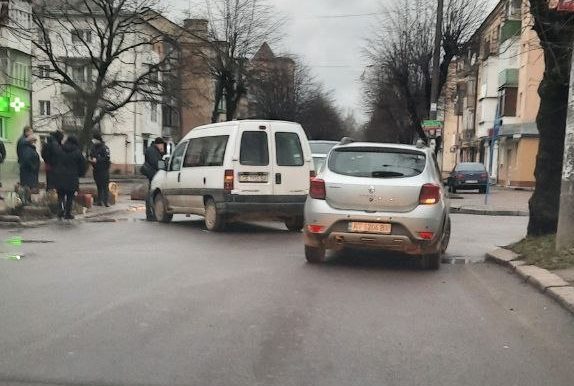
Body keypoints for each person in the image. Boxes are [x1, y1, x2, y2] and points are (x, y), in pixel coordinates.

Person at [53, 135, 86, 220]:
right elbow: (82, 165)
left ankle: (60, 209)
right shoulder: (77, 152)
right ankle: (68, 213)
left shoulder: (59, 149)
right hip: (72, 177)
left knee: (60, 195)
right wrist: (80, 174)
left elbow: (54, 161)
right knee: (70, 196)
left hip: (59, 175)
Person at [142, 137, 165, 220]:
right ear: (159, 144)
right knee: (151, 194)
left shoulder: (153, 150)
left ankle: (151, 213)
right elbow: (157, 163)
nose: (162, 146)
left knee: (151, 193)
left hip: (153, 174)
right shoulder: (152, 151)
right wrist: (164, 167)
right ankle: (150, 214)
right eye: (162, 145)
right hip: (153, 175)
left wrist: (161, 153)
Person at [89, 132, 111, 207]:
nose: (93, 141)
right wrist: (91, 160)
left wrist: (98, 159)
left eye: (94, 139)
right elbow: (91, 155)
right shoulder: (93, 147)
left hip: (104, 169)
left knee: (105, 185)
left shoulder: (104, 148)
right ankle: (99, 201)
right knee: (99, 185)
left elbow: (107, 158)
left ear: (98, 139)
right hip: (96, 169)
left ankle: (106, 201)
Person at [19, 135, 40, 202]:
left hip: (28, 170)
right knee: (27, 185)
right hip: (28, 171)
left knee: (28, 186)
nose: (35, 143)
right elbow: (27, 159)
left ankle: (27, 200)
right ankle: (25, 200)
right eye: (34, 141)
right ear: (31, 141)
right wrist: (33, 166)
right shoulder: (27, 148)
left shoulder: (28, 148)